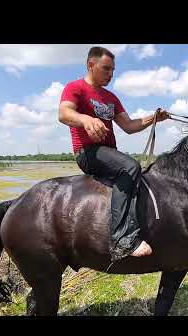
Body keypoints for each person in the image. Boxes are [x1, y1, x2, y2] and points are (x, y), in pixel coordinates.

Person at [58, 46, 169, 262]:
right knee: (130, 166)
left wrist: (154, 118)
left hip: (109, 152)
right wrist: (85, 119)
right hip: (88, 152)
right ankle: (122, 239)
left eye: (113, 70)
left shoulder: (111, 97)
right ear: (91, 65)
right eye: (106, 69)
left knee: (136, 175)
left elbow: (128, 125)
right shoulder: (76, 88)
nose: (110, 74)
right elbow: (64, 113)